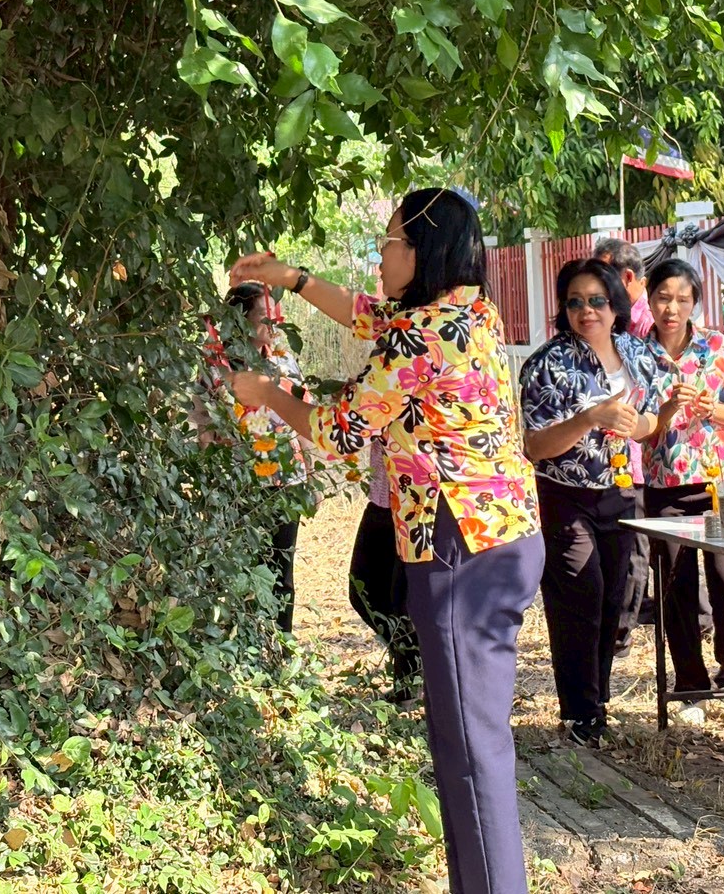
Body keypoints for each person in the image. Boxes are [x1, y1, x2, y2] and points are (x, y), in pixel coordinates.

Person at [229, 188, 545, 894]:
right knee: (465, 740)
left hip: (458, 541)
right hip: (501, 535)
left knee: (468, 749)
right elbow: (372, 318)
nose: (381, 253)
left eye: (392, 241)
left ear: (425, 250)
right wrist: (295, 281)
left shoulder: (419, 335)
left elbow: (339, 432)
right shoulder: (466, 312)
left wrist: (269, 395)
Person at [520, 258, 664, 746]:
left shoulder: (636, 351)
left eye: (597, 300)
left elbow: (654, 421)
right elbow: (534, 446)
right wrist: (589, 419)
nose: (587, 311)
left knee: (615, 599)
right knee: (581, 594)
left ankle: (597, 700)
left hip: (621, 491)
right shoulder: (546, 364)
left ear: (615, 303)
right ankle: (580, 713)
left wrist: (638, 426)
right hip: (565, 495)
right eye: (575, 302)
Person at [641, 259, 724, 721]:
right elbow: (638, 430)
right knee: (675, 585)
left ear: (695, 303)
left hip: (720, 482)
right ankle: (690, 685)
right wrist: (667, 410)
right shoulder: (633, 353)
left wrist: (714, 410)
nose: (672, 308)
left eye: (683, 299)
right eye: (664, 298)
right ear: (648, 299)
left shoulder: (716, 346)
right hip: (664, 484)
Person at [224, 281, 315, 634]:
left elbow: (303, 412)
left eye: (275, 316)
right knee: (243, 570)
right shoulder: (218, 366)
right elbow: (202, 424)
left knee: (281, 573)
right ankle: (246, 650)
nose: (272, 325)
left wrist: (312, 476)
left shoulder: (284, 358)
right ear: (239, 319)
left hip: (285, 481)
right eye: (263, 317)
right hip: (239, 483)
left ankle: (281, 646)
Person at [594, 236, 655, 656]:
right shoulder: (610, 323)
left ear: (627, 277)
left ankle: (619, 632)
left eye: (603, 275)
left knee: (633, 550)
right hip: (610, 462)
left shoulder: (647, 330)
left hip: (643, 460)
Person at [347, 435, 422, 706]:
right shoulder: (375, 391)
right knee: (362, 589)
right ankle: (416, 667)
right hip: (381, 499)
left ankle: (409, 684)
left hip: (417, 503)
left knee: (402, 601)